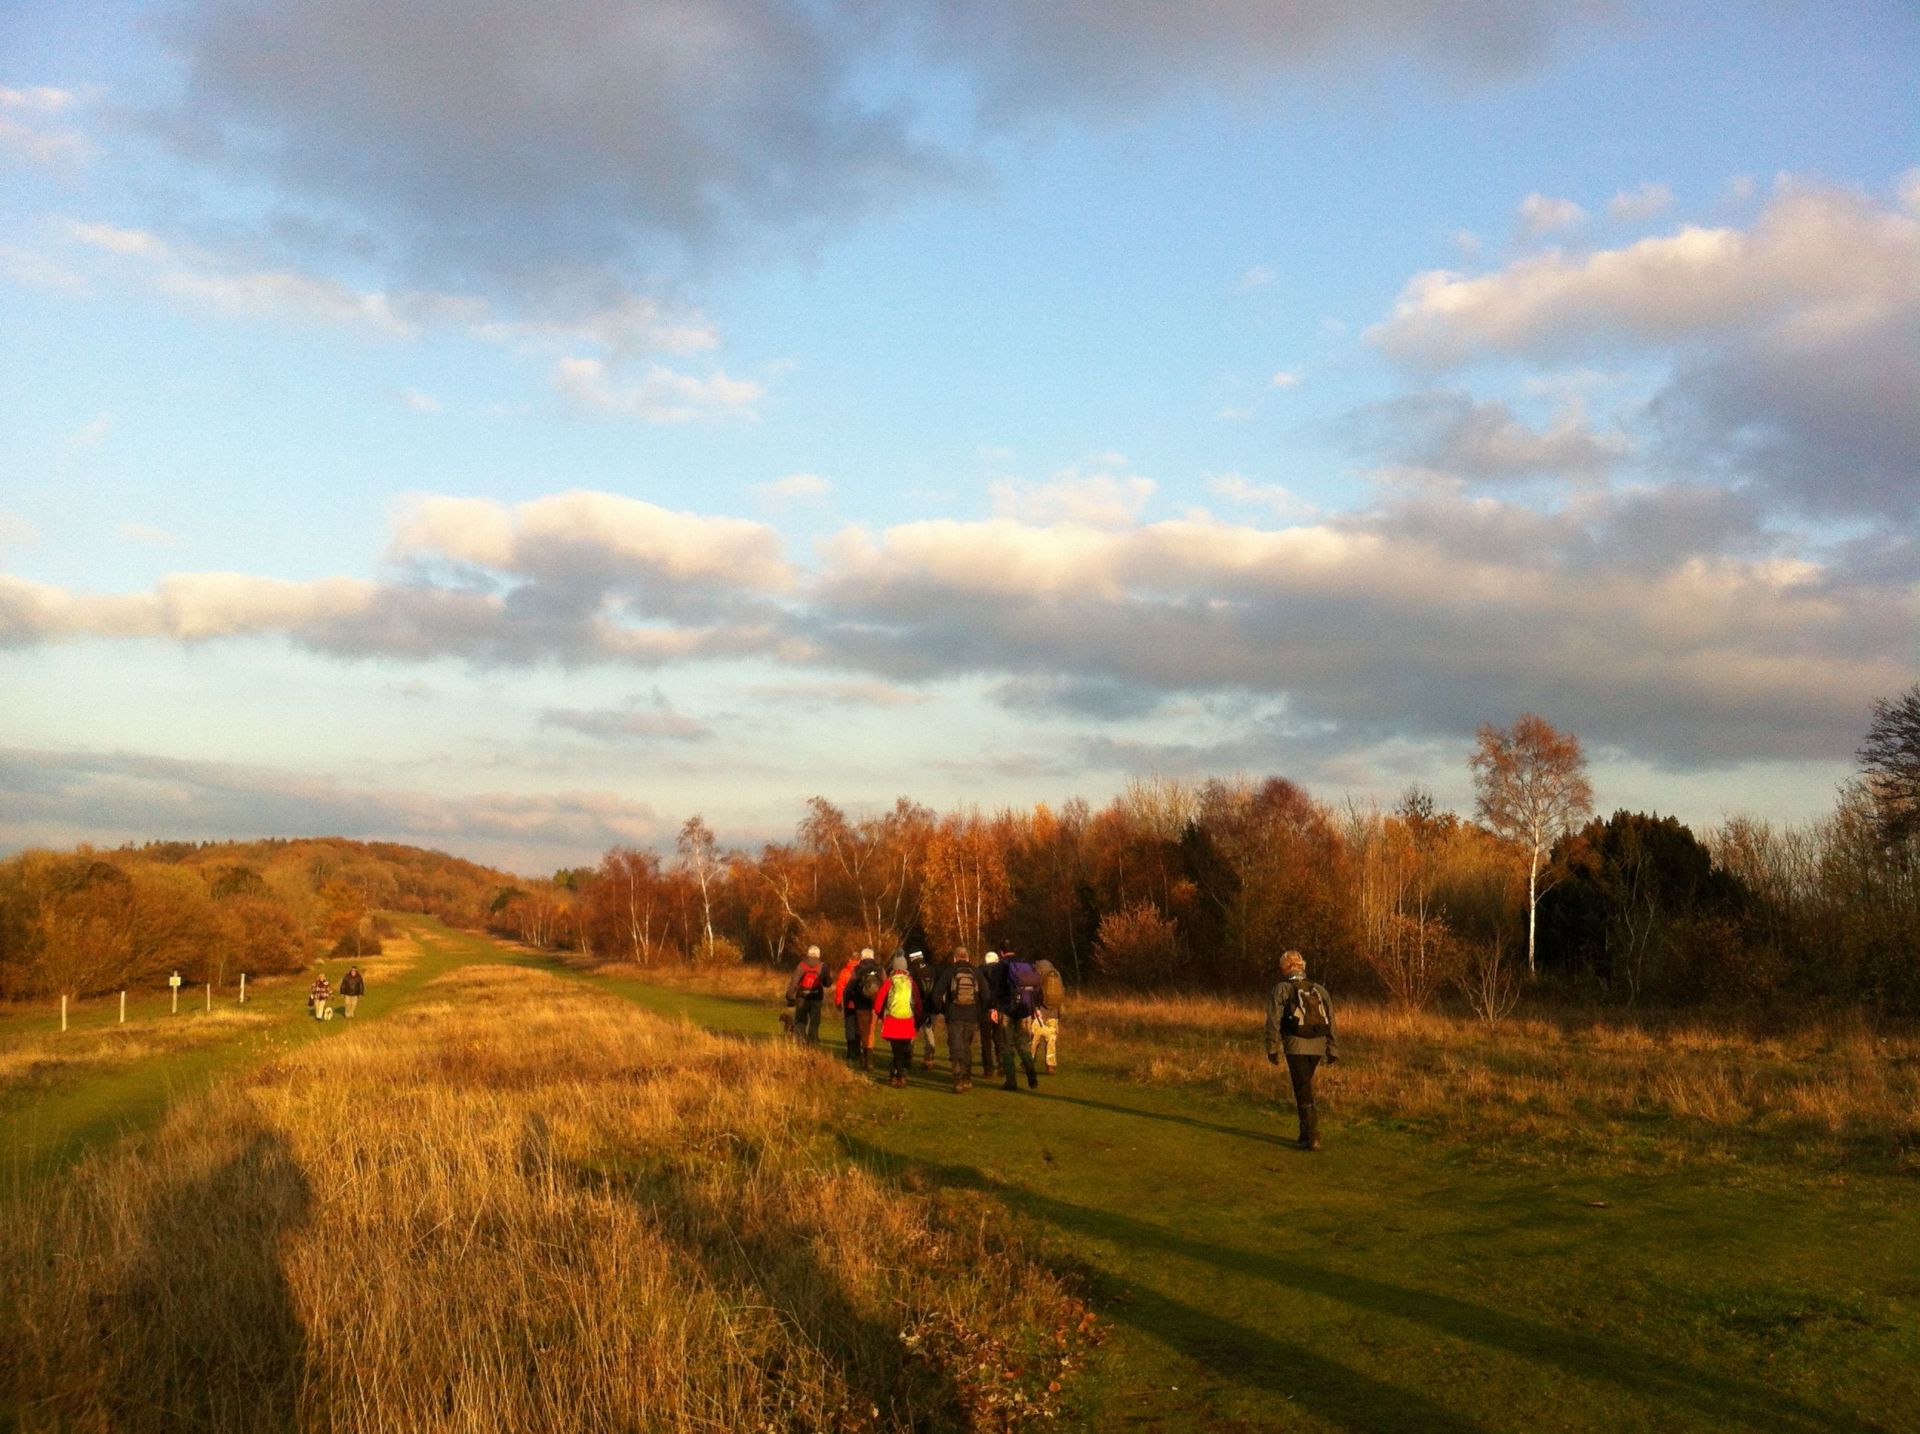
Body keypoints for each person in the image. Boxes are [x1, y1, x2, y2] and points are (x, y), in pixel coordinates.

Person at [1266, 949, 1337, 1150]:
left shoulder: (1281, 989)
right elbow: (1331, 1021)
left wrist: (1272, 1048)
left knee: (1302, 1088)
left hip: (1295, 1044)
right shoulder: (1320, 990)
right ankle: (1304, 1134)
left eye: (1282, 966)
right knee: (1303, 1086)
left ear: (1288, 967)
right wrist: (1332, 1049)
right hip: (1318, 1045)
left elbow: (1273, 1020)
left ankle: (1312, 1135)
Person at [986, 950, 1041, 1091]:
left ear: (1001, 952)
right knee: (1023, 1043)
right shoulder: (1024, 964)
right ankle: (1030, 1069)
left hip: (1006, 1011)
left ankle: (1011, 1081)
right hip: (1025, 1009)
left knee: (1006, 1045)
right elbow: (1036, 989)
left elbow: (994, 990)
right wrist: (1035, 1007)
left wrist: (992, 1008)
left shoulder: (999, 967)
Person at [931, 945, 982, 1092]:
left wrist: (942, 1009)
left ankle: (958, 1078)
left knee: (956, 1045)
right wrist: (979, 1011)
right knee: (966, 1046)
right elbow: (986, 994)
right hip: (972, 1015)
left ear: (954, 958)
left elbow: (936, 993)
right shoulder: (975, 972)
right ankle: (967, 1078)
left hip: (954, 1014)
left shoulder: (950, 971)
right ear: (968, 957)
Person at [873, 954, 925, 1088]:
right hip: (907, 1022)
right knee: (902, 1050)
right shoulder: (911, 982)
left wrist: (880, 1015)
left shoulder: (889, 982)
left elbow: (878, 1003)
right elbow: (918, 1003)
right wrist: (918, 1019)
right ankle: (898, 1075)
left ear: (894, 967)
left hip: (892, 1021)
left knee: (896, 1051)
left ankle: (897, 1075)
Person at [843, 946, 885, 1071]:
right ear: (872, 957)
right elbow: (885, 987)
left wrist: (846, 1002)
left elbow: (849, 988)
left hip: (860, 1005)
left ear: (862, 957)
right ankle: (869, 1059)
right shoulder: (880, 969)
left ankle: (866, 1058)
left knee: (863, 1031)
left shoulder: (857, 969)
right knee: (871, 1032)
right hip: (875, 1006)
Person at [784, 945, 828, 1044]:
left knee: (800, 1021)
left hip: (802, 998)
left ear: (808, 954)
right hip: (817, 998)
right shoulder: (823, 966)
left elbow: (794, 982)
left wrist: (789, 996)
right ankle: (813, 1044)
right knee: (814, 1022)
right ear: (818, 955)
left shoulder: (802, 965)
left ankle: (800, 1042)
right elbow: (828, 983)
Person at [1029, 957, 1065, 1073]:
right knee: (1051, 1039)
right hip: (1054, 1012)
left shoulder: (1037, 972)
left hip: (1040, 1012)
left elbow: (1033, 993)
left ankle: (1030, 1061)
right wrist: (1059, 1013)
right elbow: (1061, 994)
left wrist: (1032, 1009)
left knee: (1035, 1038)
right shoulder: (1056, 973)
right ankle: (1050, 1065)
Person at [907, 950, 942, 1070]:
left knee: (911, 1031)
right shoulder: (932, 969)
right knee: (929, 1031)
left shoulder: (911, 970)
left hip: (916, 1006)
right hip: (931, 1006)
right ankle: (929, 1058)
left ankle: (908, 1056)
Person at [977, 952, 1004, 1077]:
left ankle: (988, 1069)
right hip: (999, 1010)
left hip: (984, 1010)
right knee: (999, 1038)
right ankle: (1002, 1065)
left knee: (985, 1040)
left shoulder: (979, 971)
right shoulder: (1001, 971)